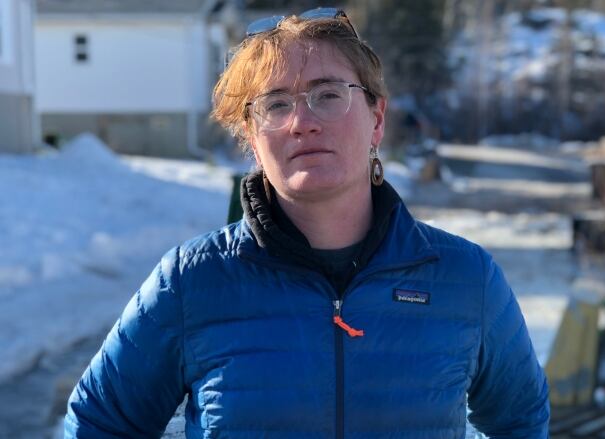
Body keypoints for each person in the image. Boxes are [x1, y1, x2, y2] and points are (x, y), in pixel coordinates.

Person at [64, 7, 549, 438]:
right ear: (253, 140)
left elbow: (520, 421)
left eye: (328, 95)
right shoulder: (192, 281)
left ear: (376, 118)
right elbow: (98, 424)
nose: (302, 122)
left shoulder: (465, 278)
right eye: (276, 104)